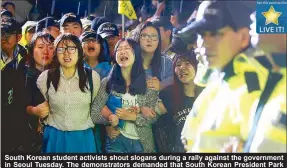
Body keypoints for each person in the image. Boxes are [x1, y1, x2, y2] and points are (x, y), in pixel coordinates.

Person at [180, 1, 269, 152]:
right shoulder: (218, 82)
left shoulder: (255, 88)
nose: (204, 44)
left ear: (243, 37)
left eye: (215, 34)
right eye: (201, 35)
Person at [90, 38, 159, 153]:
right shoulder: (107, 82)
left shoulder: (148, 83)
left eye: (127, 48)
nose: (122, 52)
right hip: (116, 141)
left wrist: (132, 117)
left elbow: (154, 117)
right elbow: (94, 112)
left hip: (142, 143)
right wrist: (110, 119)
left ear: (136, 54)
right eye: (119, 49)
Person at [36, 33, 101, 153]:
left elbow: (97, 107)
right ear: (56, 53)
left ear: (79, 52)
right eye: (61, 49)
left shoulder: (92, 78)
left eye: (71, 48)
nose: (66, 53)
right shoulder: (45, 78)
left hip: (83, 138)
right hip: (54, 137)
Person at [153, 51, 203, 152]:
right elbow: (153, 119)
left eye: (187, 63)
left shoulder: (207, 95)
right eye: (178, 64)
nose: (181, 68)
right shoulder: (167, 94)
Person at [1, 18, 32, 152]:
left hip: (15, 116)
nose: (3, 37)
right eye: (1, 33)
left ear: (19, 37)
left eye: (8, 34)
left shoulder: (25, 55)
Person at [25, 32, 55, 152]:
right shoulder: (23, 75)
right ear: (32, 51)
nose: (46, 51)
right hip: (30, 136)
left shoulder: (61, 75)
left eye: (50, 47)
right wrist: (34, 110)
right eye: (41, 47)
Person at [132, 21, 173, 90]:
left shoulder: (166, 63)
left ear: (158, 41)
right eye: (144, 36)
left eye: (154, 36)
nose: (149, 40)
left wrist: (161, 86)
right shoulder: (129, 61)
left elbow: (173, 88)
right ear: (137, 38)